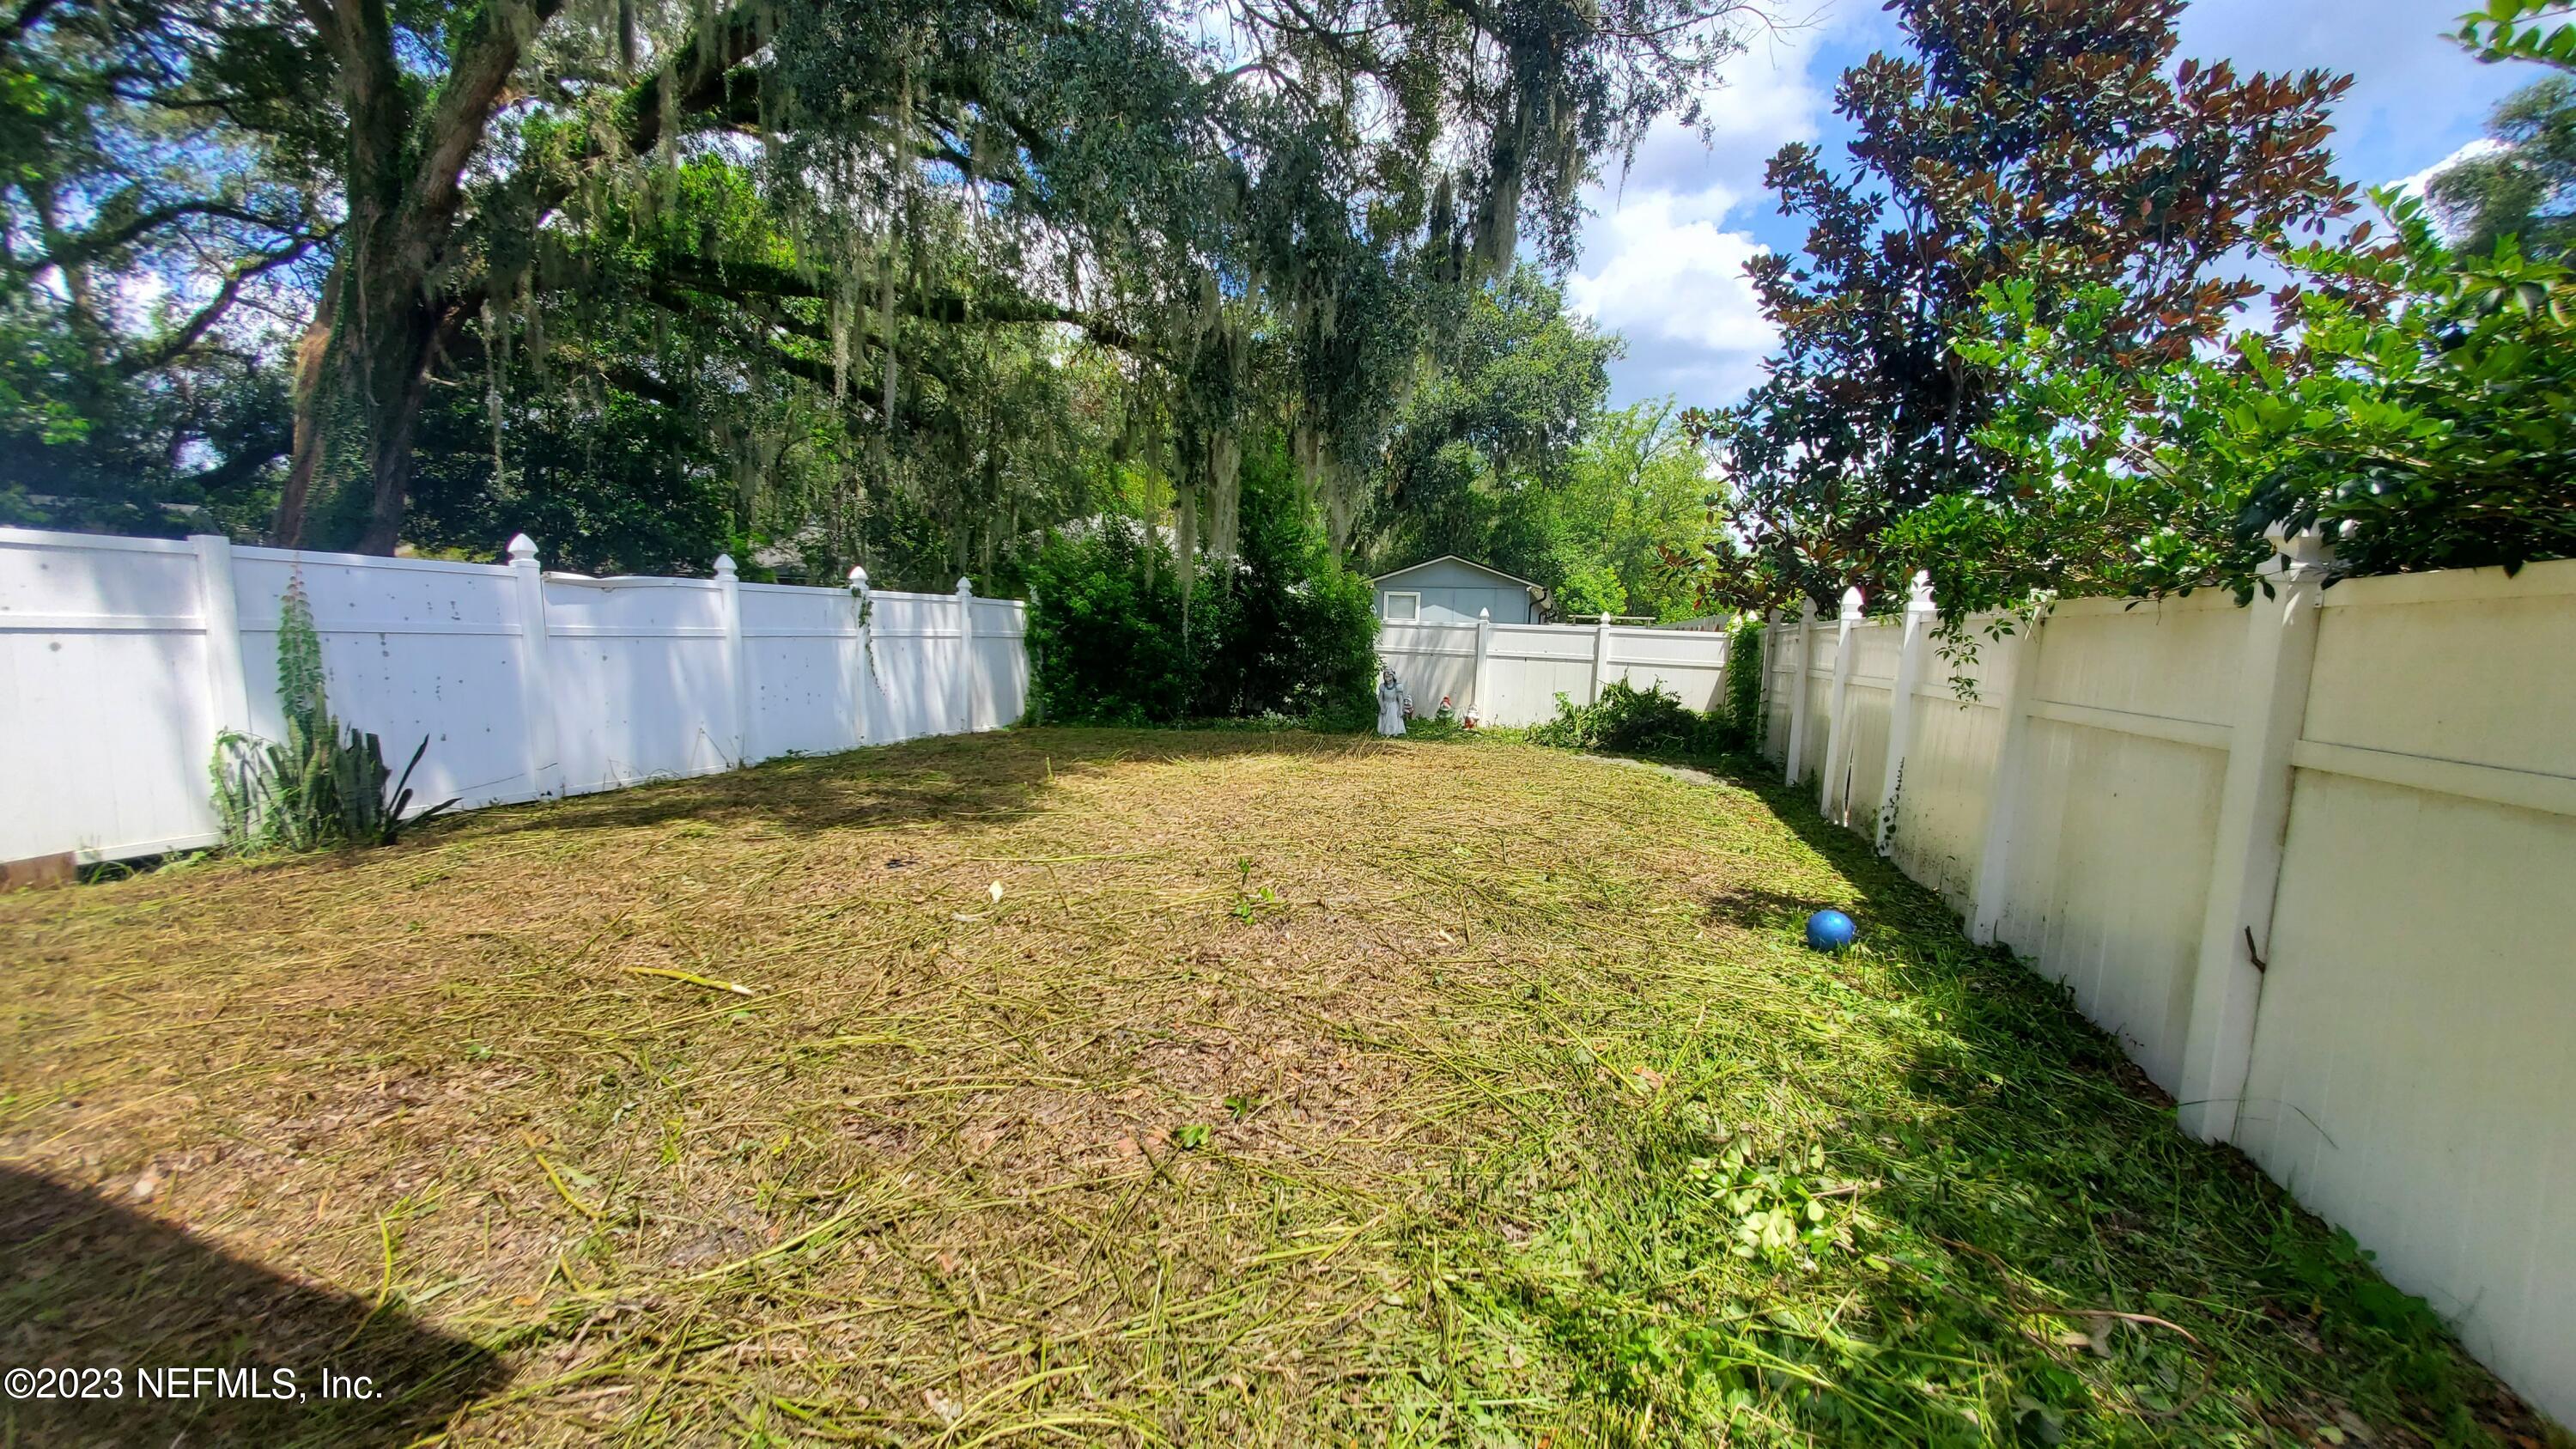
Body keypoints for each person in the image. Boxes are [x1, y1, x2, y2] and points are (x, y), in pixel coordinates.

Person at [1376, 668, 1407, 737]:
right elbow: (1380, 698)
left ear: (1393, 677)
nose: (1388, 679)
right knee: (1385, 719)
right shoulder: (1383, 687)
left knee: (1393, 719)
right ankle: (1385, 732)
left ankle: (1394, 732)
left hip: (1394, 706)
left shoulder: (1397, 687)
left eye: (1389, 676)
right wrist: (1381, 706)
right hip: (1386, 705)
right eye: (1386, 677)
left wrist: (1400, 710)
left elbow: (1400, 699)